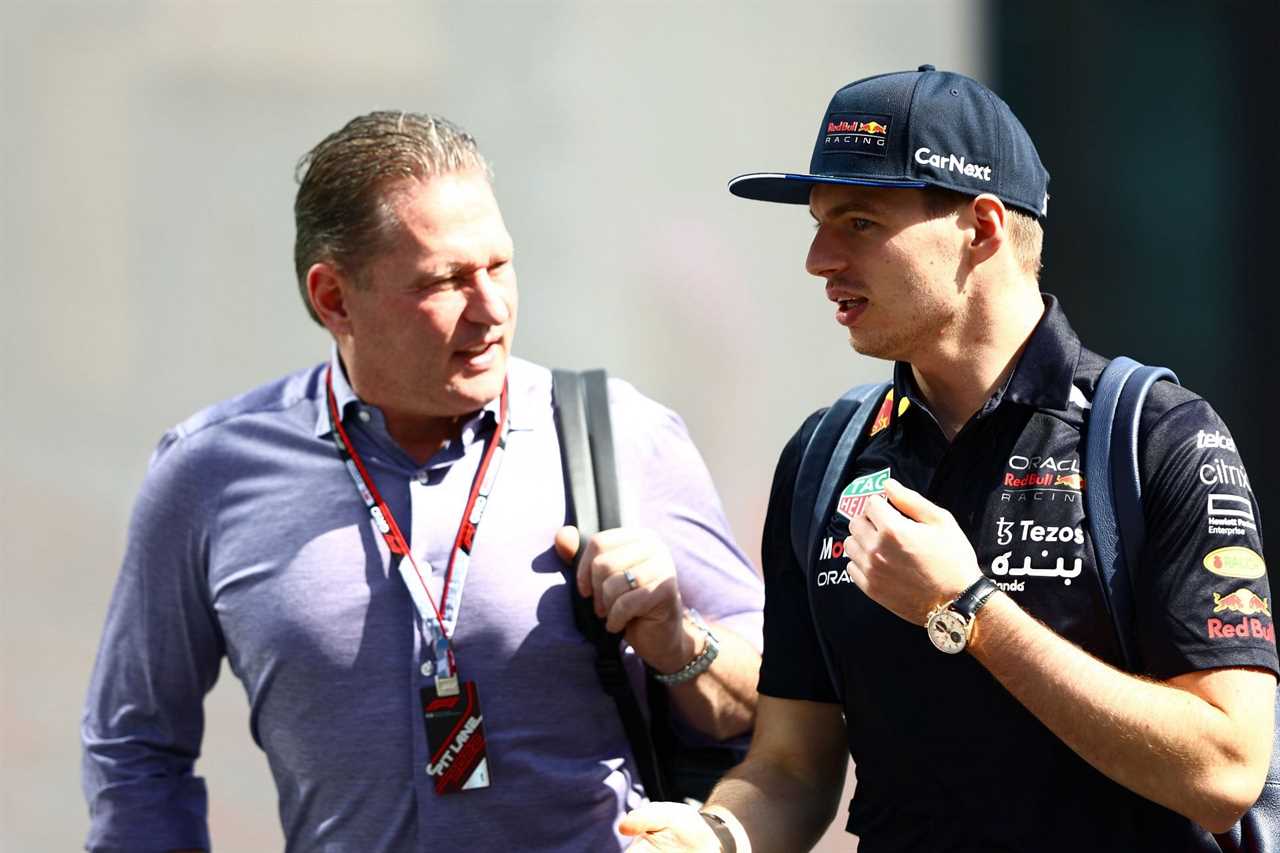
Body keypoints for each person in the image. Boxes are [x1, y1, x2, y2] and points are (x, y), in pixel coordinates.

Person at [620, 65, 1276, 852]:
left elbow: (1226, 770)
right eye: (820, 221)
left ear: (984, 227)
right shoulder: (827, 455)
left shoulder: (1155, 437)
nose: (819, 258)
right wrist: (719, 834)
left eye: (859, 222)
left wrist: (969, 608)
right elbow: (793, 767)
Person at [80, 111, 764, 853]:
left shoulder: (621, 436)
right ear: (333, 298)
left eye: (499, 266)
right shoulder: (209, 473)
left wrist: (676, 639)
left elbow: (781, 704)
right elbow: (135, 744)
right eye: (446, 280)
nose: (493, 309)